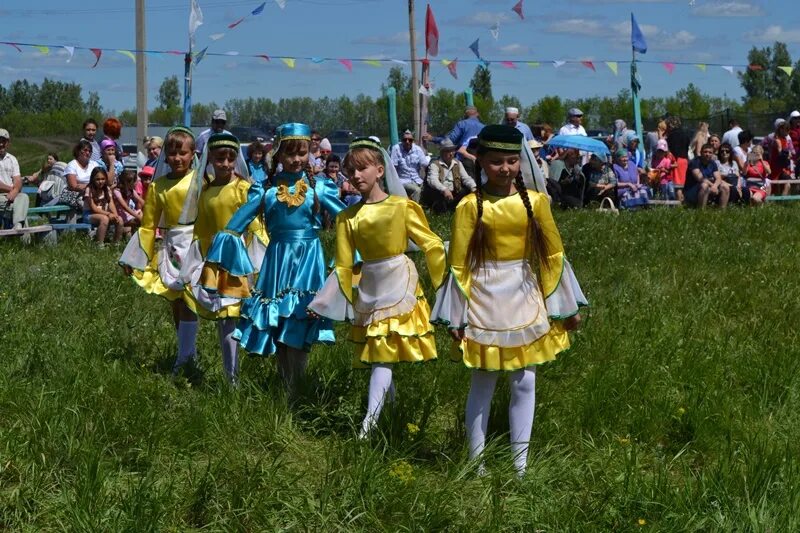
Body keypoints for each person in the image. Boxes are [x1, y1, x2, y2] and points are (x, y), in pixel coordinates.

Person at [431, 124, 586, 477]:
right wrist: (457, 315)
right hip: (484, 299)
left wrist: (565, 308)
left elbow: (552, 256)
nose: (506, 168)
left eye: (512, 161)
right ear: (481, 162)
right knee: (484, 379)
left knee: (525, 380)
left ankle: (521, 465)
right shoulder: (469, 207)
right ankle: (476, 462)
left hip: (523, 293)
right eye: (497, 161)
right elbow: (458, 264)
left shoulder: (536, 203)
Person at [308, 136, 446, 438]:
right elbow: (343, 265)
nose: (356, 176)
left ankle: (367, 428)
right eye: (351, 171)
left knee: (381, 353)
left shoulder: (401, 207)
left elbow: (430, 243)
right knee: (380, 353)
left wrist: (446, 285)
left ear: (380, 170)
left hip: (398, 282)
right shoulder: (347, 218)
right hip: (370, 286)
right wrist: (325, 302)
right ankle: (392, 417)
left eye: (362, 169)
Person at [200, 123, 347, 391]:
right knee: (279, 320)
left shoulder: (320, 188)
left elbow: (348, 220)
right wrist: (223, 252)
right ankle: (285, 382)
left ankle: (297, 384)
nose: (296, 159)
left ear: (309, 154)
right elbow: (237, 224)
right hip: (277, 262)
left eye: (302, 153)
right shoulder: (265, 190)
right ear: (277, 154)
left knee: (300, 317)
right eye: (289, 153)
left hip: (307, 261)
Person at [178, 132, 268, 385]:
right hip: (214, 260)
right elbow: (202, 229)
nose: (226, 164)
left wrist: (261, 255)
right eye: (220, 159)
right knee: (217, 315)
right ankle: (199, 363)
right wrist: (195, 259)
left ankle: (233, 377)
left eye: (230, 158)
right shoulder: (205, 191)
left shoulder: (243, 188)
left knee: (230, 315)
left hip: (237, 259)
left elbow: (254, 224)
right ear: (210, 159)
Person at [119, 127, 201, 377]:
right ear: (165, 155)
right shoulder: (158, 187)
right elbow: (148, 225)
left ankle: (185, 359)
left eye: (183, 153)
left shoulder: (200, 182)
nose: (177, 158)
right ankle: (187, 351)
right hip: (173, 246)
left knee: (188, 301)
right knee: (175, 302)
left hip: (196, 244)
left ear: (192, 154)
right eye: (172, 153)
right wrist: (133, 257)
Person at [423, 139, 476, 213]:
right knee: (437, 198)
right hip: (441, 194)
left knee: (467, 190)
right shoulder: (435, 164)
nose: (451, 153)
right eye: (448, 151)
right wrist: (444, 189)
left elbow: (466, 178)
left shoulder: (458, 163)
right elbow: (432, 180)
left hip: (455, 192)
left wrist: (474, 187)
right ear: (442, 152)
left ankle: (454, 208)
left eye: (452, 150)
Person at [84, 167, 123, 244]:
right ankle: (100, 244)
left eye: (103, 179)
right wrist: (108, 214)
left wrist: (115, 215)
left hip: (103, 213)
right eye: (97, 179)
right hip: (89, 214)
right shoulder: (89, 189)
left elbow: (111, 204)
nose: (100, 181)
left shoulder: (106, 189)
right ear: (93, 179)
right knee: (104, 219)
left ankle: (116, 243)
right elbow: (93, 208)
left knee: (120, 220)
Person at [684, 143, 730, 209]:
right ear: (701, 152)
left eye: (710, 152)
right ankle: (701, 212)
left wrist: (715, 186)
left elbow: (718, 178)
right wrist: (713, 186)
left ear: (713, 154)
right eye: (705, 152)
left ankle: (722, 211)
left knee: (725, 186)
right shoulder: (694, 162)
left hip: (707, 189)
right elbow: (700, 178)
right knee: (704, 185)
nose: (707, 154)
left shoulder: (713, 163)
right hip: (692, 190)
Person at [0, 128, 29, 230]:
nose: (1, 144)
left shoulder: (12, 159)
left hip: (11, 196)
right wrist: (12, 190)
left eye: (3, 141)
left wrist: (16, 190)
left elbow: (17, 180)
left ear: (7, 143)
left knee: (24, 197)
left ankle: (17, 227)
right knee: (21, 210)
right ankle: (24, 243)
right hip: (2, 196)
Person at [390, 130, 430, 202]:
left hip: (417, 179)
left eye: (410, 140)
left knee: (429, 188)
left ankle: (427, 208)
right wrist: (394, 184)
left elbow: (425, 164)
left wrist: (427, 179)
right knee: (417, 190)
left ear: (413, 141)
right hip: (403, 180)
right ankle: (414, 210)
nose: (407, 141)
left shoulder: (417, 149)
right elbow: (393, 168)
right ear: (402, 140)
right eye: (405, 140)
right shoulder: (396, 149)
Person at [61, 140, 101, 211]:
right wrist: (92, 186)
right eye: (85, 150)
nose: (87, 153)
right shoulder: (72, 165)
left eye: (89, 151)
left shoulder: (94, 164)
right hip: (78, 194)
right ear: (78, 151)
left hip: (94, 192)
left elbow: (101, 179)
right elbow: (73, 186)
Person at [113, 167, 144, 235]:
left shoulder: (131, 191)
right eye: (135, 181)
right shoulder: (117, 191)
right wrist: (138, 217)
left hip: (128, 213)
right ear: (127, 182)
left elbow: (141, 201)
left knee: (141, 213)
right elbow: (125, 207)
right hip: (120, 214)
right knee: (140, 219)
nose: (136, 183)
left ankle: (133, 232)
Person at [665, 116, 690, 202]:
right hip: (685, 160)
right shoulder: (685, 134)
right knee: (683, 183)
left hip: (676, 160)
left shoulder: (671, 135)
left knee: (677, 185)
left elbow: (671, 150)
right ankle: (684, 201)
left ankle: (678, 204)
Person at [769, 118, 794, 196]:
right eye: (787, 130)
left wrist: (788, 154)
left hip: (782, 166)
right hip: (775, 166)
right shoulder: (777, 140)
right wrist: (788, 154)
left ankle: (783, 202)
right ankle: (769, 202)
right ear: (781, 130)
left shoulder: (785, 139)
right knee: (774, 185)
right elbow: (780, 153)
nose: (788, 132)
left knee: (787, 182)